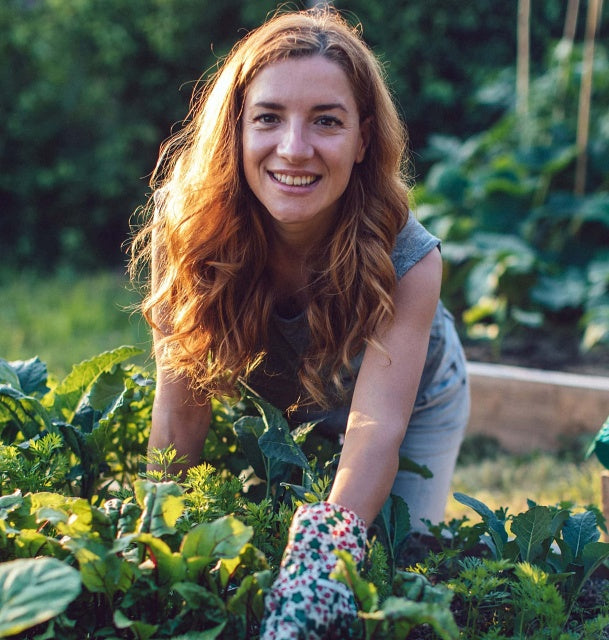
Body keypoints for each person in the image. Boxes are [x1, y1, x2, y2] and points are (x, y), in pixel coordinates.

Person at [130, 7, 469, 638]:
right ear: (235, 128)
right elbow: (181, 412)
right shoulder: (191, 233)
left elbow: (375, 432)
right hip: (284, 402)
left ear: (364, 139)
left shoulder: (409, 257)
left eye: (326, 122)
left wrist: (317, 569)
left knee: (396, 569)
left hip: (412, 406)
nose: (293, 148)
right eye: (268, 117)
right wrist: (155, 538)